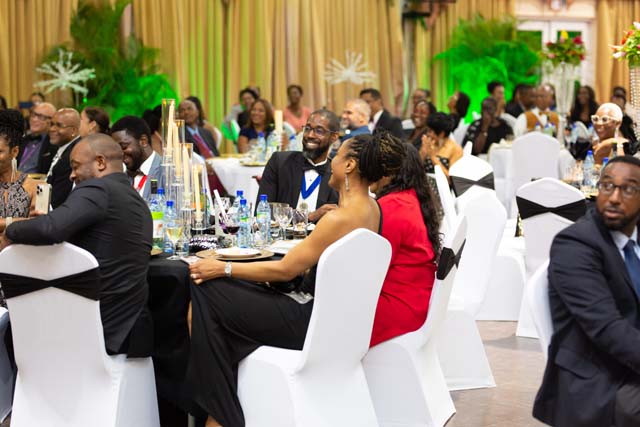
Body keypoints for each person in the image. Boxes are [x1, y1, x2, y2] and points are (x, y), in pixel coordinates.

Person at [185, 133, 405, 427]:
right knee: (215, 314)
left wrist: (221, 267)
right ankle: (219, 414)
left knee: (207, 289)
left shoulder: (339, 218)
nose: (331, 162)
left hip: (308, 322)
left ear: (350, 165)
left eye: (336, 156)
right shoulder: (373, 209)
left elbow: (284, 270)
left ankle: (220, 415)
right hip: (336, 325)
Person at [1, 134, 153, 357]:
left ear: (100, 162)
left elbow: (50, 228)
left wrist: (10, 230)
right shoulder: (137, 201)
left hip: (93, 325)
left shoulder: (98, 189)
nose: (72, 175)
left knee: (12, 327)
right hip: (129, 326)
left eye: (75, 166)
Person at [533, 156, 640, 427]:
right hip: (600, 379)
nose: (614, 198)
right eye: (607, 186)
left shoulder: (635, 237)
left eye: (628, 189)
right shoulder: (575, 244)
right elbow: (608, 329)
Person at [368, 142, 440, 346]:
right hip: (415, 301)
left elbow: (371, 269)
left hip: (396, 311)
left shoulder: (392, 207)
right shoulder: (410, 198)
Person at [257, 109, 340, 222]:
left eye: (319, 131)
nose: (310, 135)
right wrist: (309, 217)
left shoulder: (337, 175)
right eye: (307, 129)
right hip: (281, 232)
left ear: (334, 137)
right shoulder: (280, 162)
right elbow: (263, 213)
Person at [0, 109, 37, 233]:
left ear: (15, 151)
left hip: (23, 246)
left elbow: (38, 224)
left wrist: (4, 223)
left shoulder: (36, 187)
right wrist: (21, 221)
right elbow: (30, 222)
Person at [111, 116, 165, 199]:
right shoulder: (122, 177)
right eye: (116, 149)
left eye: (124, 147)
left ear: (143, 141)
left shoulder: (166, 172)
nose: (120, 154)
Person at [47, 108, 82, 208]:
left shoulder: (74, 155)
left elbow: (58, 200)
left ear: (73, 130)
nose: (52, 129)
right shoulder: (63, 147)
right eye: (51, 124)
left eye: (58, 125)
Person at [413, 112, 462, 178]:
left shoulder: (456, 149)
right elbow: (415, 169)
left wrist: (432, 157)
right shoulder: (429, 143)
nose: (427, 134)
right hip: (423, 181)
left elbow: (451, 179)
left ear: (441, 133)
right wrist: (423, 152)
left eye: (430, 131)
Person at [17, 102, 58, 174]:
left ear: (52, 122)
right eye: (33, 115)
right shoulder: (21, 140)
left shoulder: (54, 144)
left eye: (41, 117)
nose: (34, 119)